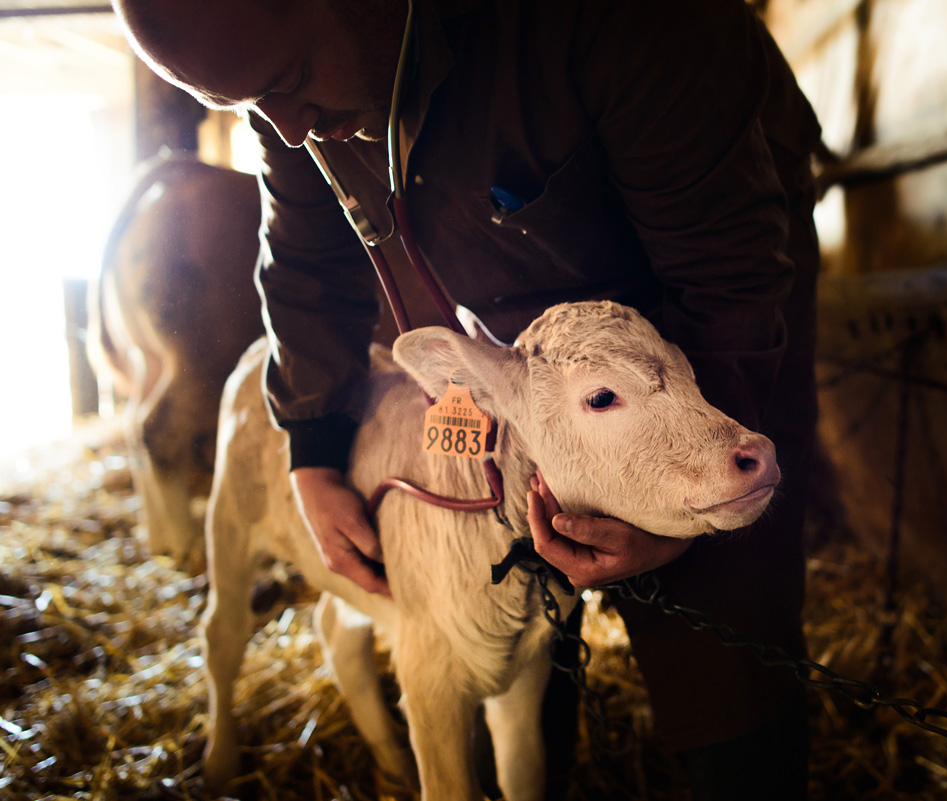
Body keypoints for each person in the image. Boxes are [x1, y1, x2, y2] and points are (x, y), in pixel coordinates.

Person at [114, 0, 822, 796]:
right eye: (246, 107)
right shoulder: (293, 112)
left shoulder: (628, 24)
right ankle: (548, 757)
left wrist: (691, 478)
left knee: (725, 633)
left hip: (712, 328)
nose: (281, 127)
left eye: (287, 81)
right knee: (516, 588)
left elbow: (731, 271)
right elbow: (307, 262)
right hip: (526, 359)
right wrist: (312, 446)